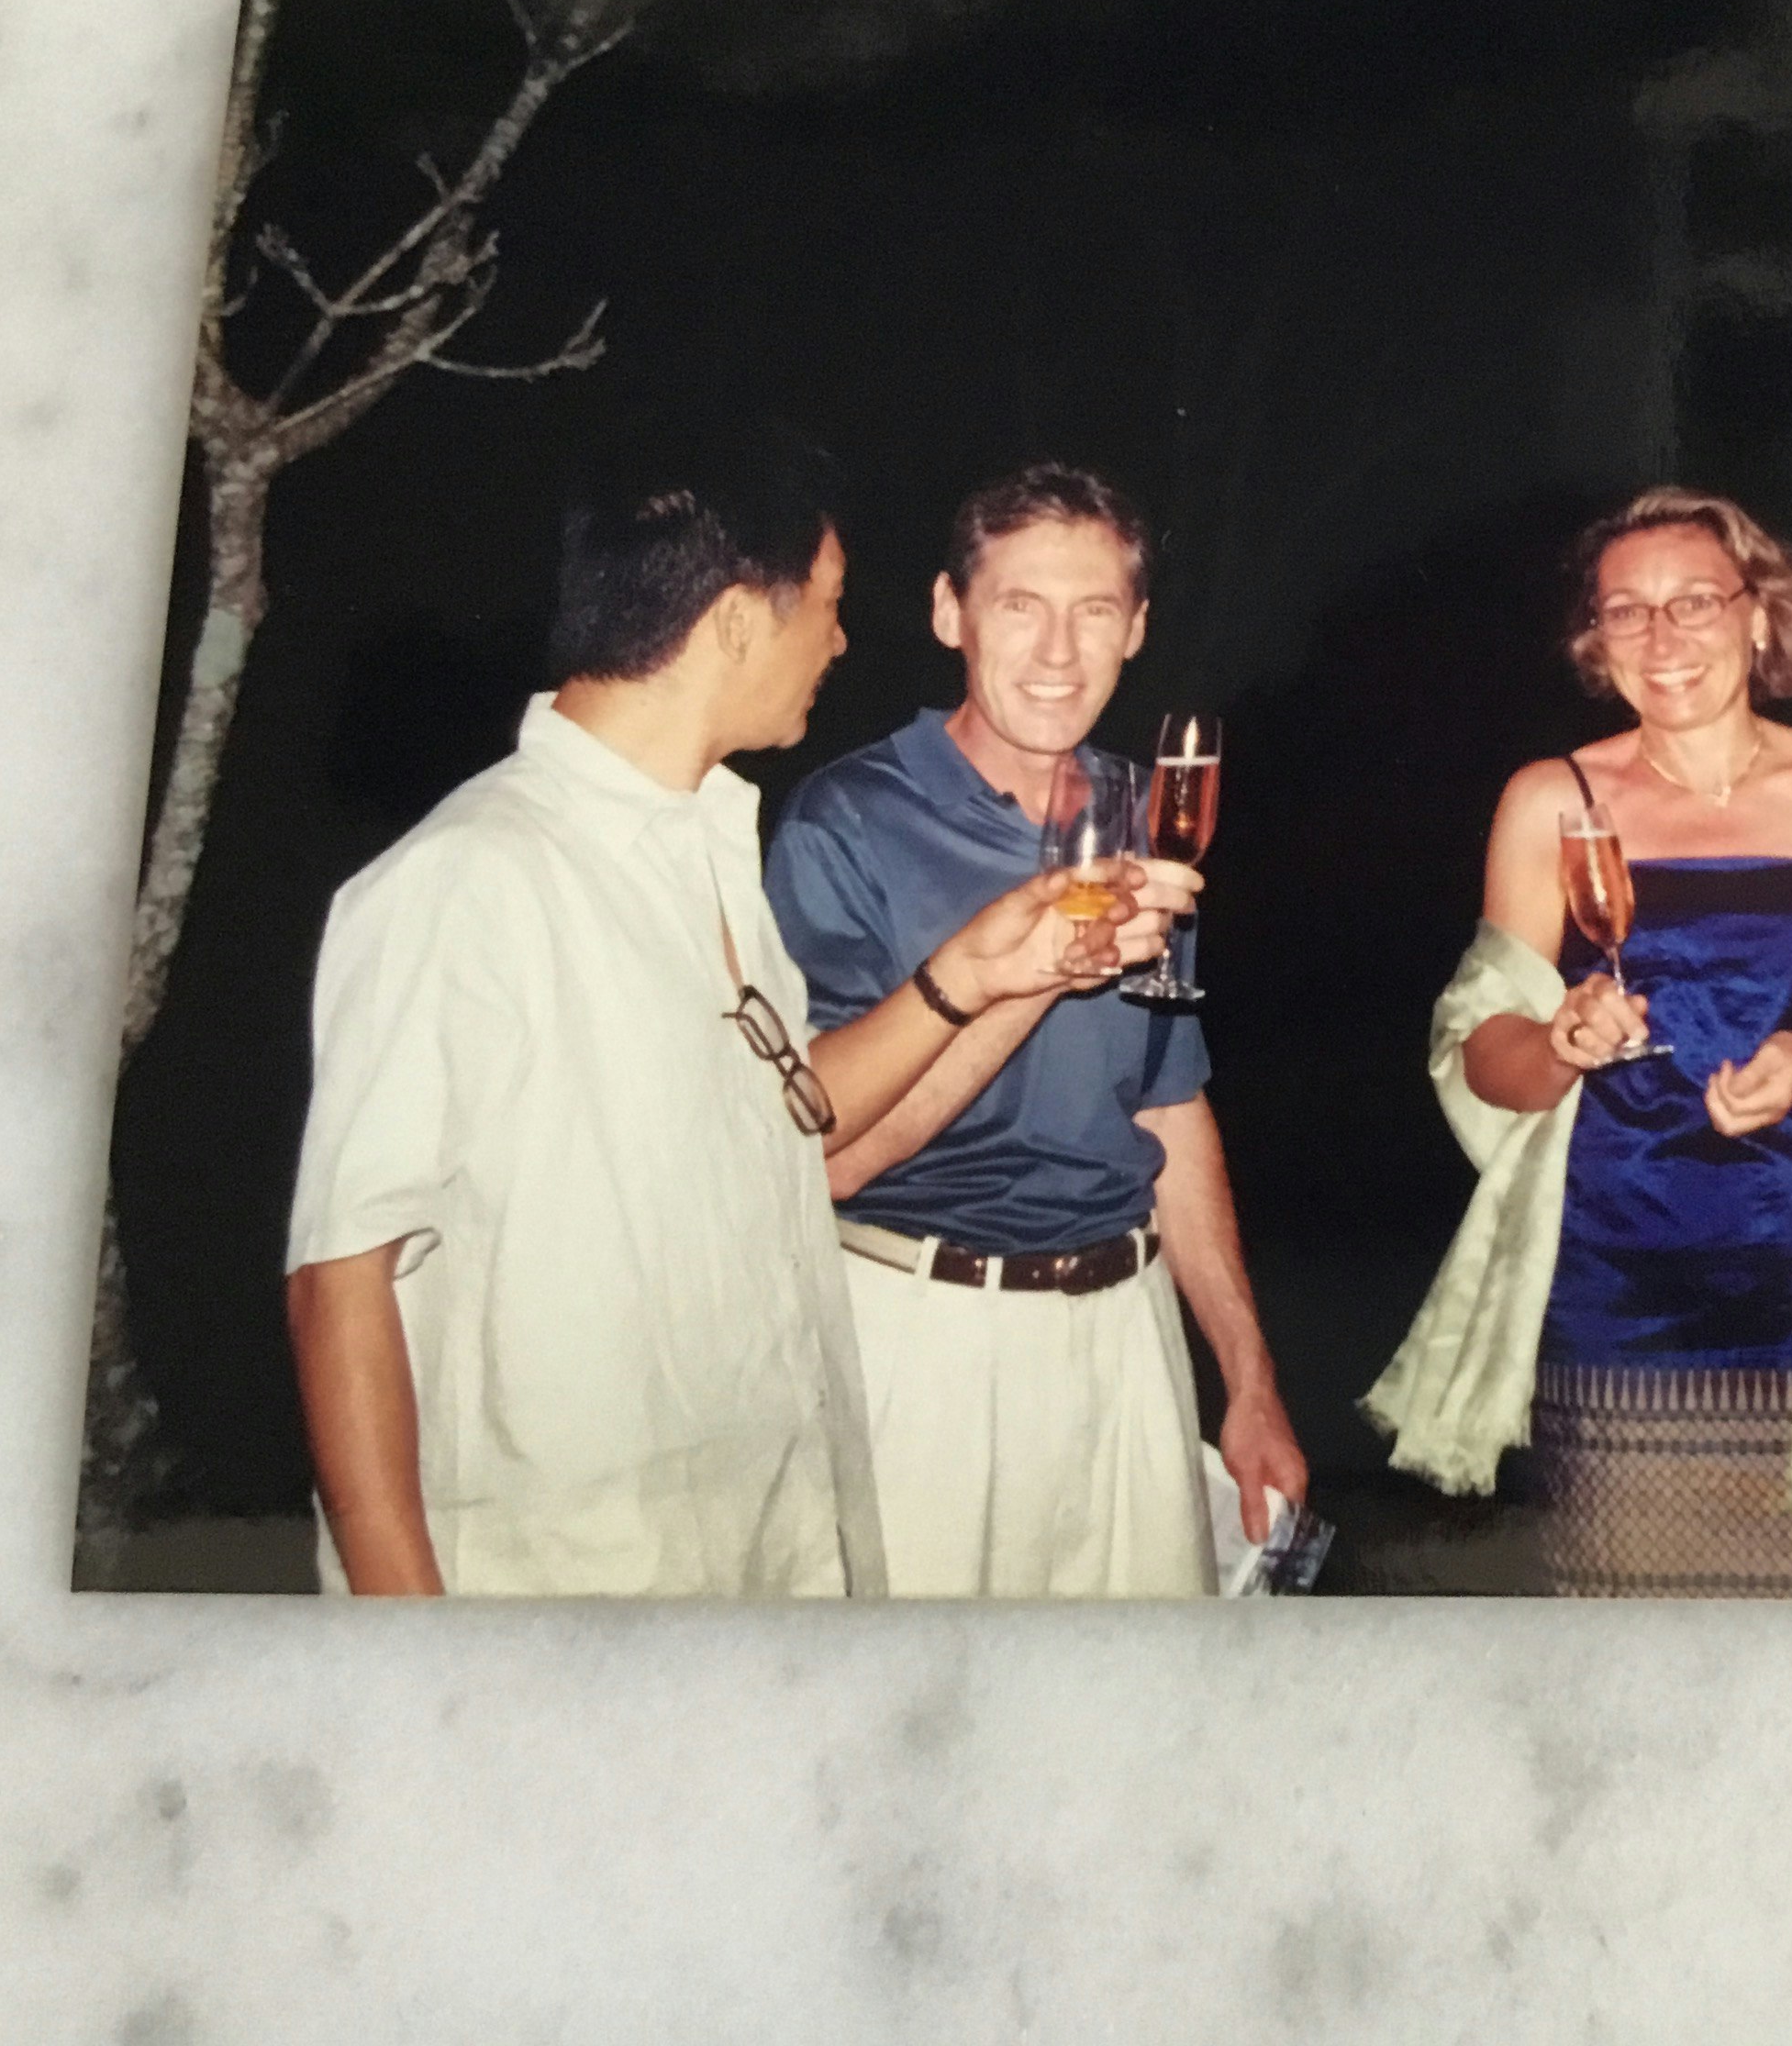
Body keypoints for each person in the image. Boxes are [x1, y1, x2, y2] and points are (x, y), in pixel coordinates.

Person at [284, 427, 1180, 1598]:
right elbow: (337, 1279)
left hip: (753, 1544)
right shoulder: (473, 877)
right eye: (831, 602)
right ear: (741, 619)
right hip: (566, 1575)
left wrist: (982, 974)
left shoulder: (704, 850)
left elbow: (790, 1122)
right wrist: (410, 1640)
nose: (844, 640)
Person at [1365, 488, 1792, 1602]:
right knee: (1646, 1673)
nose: (1661, 637)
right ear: (1595, 641)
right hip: (1620, 1302)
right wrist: (1562, 1040)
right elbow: (1478, 1051)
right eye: (1625, 613)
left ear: (1761, 617)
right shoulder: (1555, 802)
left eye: (1694, 603)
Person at [764, 462, 1307, 1598]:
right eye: (1020, 606)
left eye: (1094, 611)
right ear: (949, 613)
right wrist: (1042, 975)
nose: (1059, 653)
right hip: (924, 1335)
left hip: (1127, 1340)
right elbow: (830, 1154)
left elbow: (1167, 1107)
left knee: (1137, 1737)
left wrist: (1247, 1376)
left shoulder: (1144, 815)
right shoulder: (846, 823)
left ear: (1137, 628)